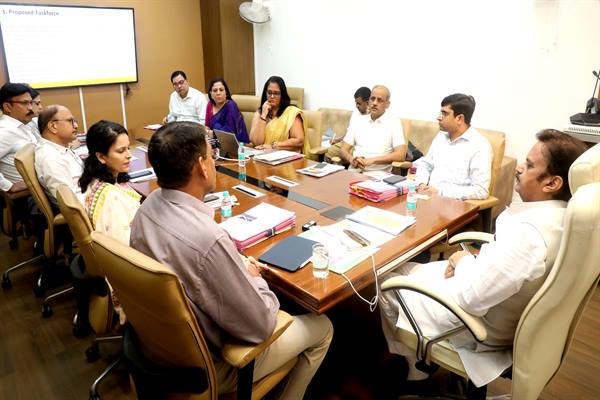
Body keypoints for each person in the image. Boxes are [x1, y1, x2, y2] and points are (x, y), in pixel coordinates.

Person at [130, 122, 333, 399]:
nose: (214, 161)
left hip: (160, 350)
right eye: (211, 155)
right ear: (202, 166)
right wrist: (254, 279)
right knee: (323, 327)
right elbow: (260, 326)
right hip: (215, 367)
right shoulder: (208, 240)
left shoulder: (147, 207)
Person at [379, 130, 588, 390]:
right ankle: (420, 358)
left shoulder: (528, 236)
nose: (519, 168)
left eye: (529, 165)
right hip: (490, 298)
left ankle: (416, 374)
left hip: (472, 324)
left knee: (385, 280)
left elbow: (471, 298)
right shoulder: (560, 217)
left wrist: (461, 260)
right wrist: (467, 260)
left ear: (552, 183)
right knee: (408, 268)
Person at [413, 94, 492, 200]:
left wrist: (440, 192)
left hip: (453, 204)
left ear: (459, 118)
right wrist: (421, 183)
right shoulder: (441, 136)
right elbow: (426, 165)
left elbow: (481, 190)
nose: (439, 117)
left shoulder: (479, 145)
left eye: (444, 113)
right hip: (427, 198)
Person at [79, 120, 140, 246]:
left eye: (128, 148)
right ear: (101, 157)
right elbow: (124, 245)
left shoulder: (93, 180)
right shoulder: (111, 197)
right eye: (121, 151)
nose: (129, 155)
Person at [339, 85, 406, 172]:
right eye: (372, 99)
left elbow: (400, 155)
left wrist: (371, 161)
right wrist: (351, 159)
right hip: (354, 171)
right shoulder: (358, 121)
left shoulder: (394, 123)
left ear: (387, 104)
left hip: (378, 175)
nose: (374, 103)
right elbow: (343, 150)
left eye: (379, 100)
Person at [34, 105, 84, 205]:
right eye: (70, 121)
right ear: (53, 126)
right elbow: (72, 202)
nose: (76, 126)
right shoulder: (50, 158)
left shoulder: (59, 147)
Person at [250, 76, 309, 154]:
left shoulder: (291, 112)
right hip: (261, 155)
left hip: (284, 156)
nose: (272, 96)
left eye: (276, 93)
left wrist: (273, 146)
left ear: (282, 95)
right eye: (269, 93)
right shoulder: (260, 113)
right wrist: (263, 115)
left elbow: (299, 141)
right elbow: (257, 143)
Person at [0, 83, 38, 193]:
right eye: (25, 103)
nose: (30, 108)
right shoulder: (4, 130)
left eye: (31, 102)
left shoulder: (22, 126)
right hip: (25, 197)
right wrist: (8, 186)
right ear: (7, 107)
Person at [325, 86, 371, 162]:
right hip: (348, 143)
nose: (356, 106)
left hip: (360, 146)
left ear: (367, 103)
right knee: (329, 152)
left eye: (359, 103)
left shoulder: (373, 116)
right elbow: (348, 133)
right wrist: (337, 140)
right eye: (356, 103)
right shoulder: (356, 114)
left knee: (353, 154)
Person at [205, 77, 249, 143]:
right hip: (215, 142)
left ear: (226, 92)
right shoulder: (210, 104)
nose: (218, 93)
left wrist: (213, 132)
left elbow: (230, 134)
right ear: (211, 94)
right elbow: (207, 126)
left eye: (221, 90)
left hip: (236, 144)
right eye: (215, 90)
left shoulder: (231, 105)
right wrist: (208, 132)